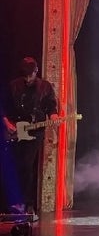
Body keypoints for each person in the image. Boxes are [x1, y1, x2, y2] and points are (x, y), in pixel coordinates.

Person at [2, 57, 59, 217]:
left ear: (36, 71)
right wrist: (7, 123)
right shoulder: (13, 86)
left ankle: (28, 204)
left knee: (27, 166)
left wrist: (53, 117)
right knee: (14, 167)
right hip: (14, 131)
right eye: (25, 75)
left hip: (34, 133)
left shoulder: (45, 87)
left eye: (30, 75)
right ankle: (13, 204)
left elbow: (51, 106)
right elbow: (4, 108)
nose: (27, 79)